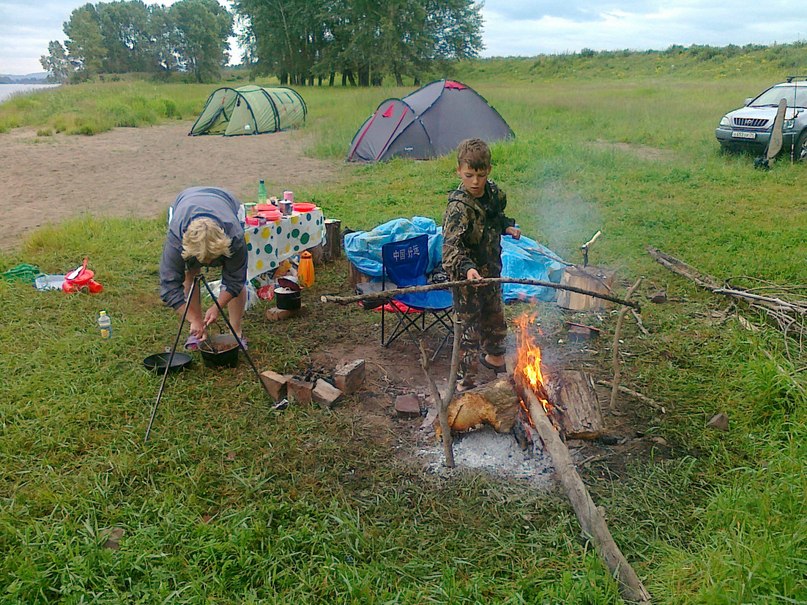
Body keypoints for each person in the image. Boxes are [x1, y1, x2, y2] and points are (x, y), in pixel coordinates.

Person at [442, 139, 521, 390]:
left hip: (491, 270)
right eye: (469, 175)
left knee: (495, 317)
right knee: (469, 331)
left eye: (480, 175)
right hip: (467, 278)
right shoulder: (458, 209)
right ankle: (465, 383)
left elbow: (495, 217)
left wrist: (506, 225)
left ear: (488, 170)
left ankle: (495, 359)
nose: (475, 182)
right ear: (459, 172)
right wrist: (466, 268)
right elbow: (451, 248)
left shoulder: (494, 194)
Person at [159, 186, 248, 348]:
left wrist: (216, 307)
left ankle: (236, 332)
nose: (207, 264)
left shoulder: (234, 236)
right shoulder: (176, 240)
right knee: (190, 273)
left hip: (225, 201)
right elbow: (169, 287)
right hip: (184, 203)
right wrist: (193, 319)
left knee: (234, 274)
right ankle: (198, 331)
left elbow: (236, 278)